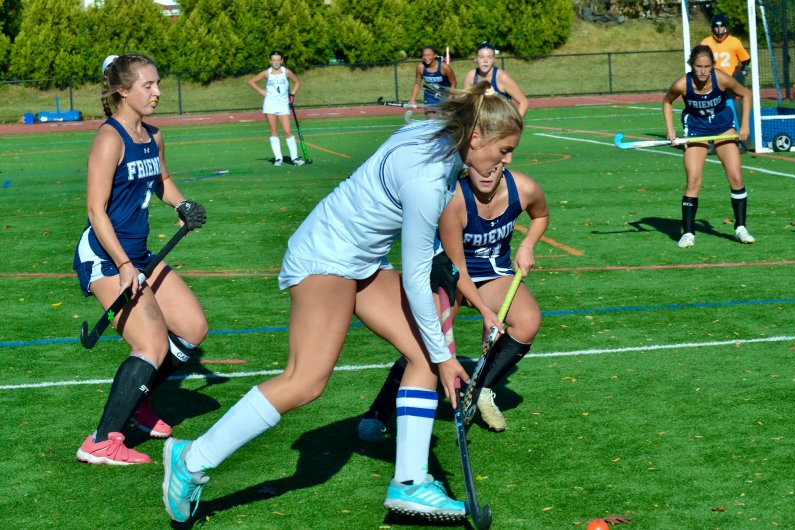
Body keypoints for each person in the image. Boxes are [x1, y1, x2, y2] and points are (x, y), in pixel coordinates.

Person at [161, 82, 524, 524]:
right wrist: (447, 356)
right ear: (477, 137)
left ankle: (410, 483)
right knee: (306, 381)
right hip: (325, 258)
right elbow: (413, 276)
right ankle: (191, 460)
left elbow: (426, 250)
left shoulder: (437, 139)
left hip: (362, 261)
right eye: (504, 150)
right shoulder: (428, 176)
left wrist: (474, 308)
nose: (507, 161)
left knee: (425, 358)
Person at [73, 53, 208, 465]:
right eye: (148, 85)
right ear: (123, 90)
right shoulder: (109, 138)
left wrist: (182, 205)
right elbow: (96, 211)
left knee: (192, 329)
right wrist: (125, 265)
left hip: (138, 254)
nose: (157, 92)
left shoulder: (153, 136)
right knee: (149, 343)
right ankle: (101, 440)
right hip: (105, 254)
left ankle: (139, 402)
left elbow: (162, 181)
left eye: (157, 83)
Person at [359, 163, 549, 439]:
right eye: (479, 168)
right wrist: (485, 311)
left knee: (528, 320)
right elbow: (457, 266)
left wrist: (527, 245)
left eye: (494, 167)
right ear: (467, 164)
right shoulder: (455, 200)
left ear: (504, 160)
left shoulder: (524, 188)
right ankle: (378, 411)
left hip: (494, 275)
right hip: (451, 274)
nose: (487, 174)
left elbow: (541, 215)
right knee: (428, 340)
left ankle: (482, 390)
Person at [662, 44, 754, 249]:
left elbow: (745, 94)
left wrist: (745, 125)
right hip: (696, 129)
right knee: (693, 180)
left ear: (712, 65)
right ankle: (688, 233)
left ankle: (740, 228)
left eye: (706, 66)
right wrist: (670, 130)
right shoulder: (682, 84)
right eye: (698, 66)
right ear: (691, 65)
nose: (703, 71)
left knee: (736, 177)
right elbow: (667, 102)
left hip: (722, 126)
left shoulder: (720, 78)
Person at [701, 13, 751, 151]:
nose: (719, 31)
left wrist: (743, 71)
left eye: (721, 28)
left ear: (726, 28)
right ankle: (710, 139)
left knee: (735, 107)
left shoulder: (734, 42)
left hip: (730, 80)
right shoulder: (706, 42)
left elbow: (746, 60)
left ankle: (742, 140)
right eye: (716, 29)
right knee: (709, 109)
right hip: (712, 81)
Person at [247, 50, 304, 167]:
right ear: (270, 61)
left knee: (288, 131)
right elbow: (251, 81)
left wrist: (292, 94)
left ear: (282, 60)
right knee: (274, 131)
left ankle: (295, 158)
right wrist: (261, 91)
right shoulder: (267, 73)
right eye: (273, 60)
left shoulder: (286, 72)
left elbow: (297, 82)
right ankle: (278, 158)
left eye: (278, 60)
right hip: (270, 105)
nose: (276, 62)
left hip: (283, 105)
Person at [462, 41, 529, 119]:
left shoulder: (502, 77)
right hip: (480, 124)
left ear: (494, 60)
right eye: (481, 57)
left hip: (502, 124)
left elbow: (524, 102)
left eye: (490, 57)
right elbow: (463, 103)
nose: (485, 61)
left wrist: (515, 126)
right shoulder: (471, 76)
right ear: (476, 59)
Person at [408, 46, 457, 119]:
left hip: (445, 98)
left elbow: (453, 83)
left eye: (428, 55)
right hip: (430, 99)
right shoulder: (420, 67)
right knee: (431, 122)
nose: (425, 57)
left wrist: (450, 98)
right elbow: (417, 83)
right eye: (424, 55)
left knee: (447, 123)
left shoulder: (444, 67)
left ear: (435, 56)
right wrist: (412, 99)